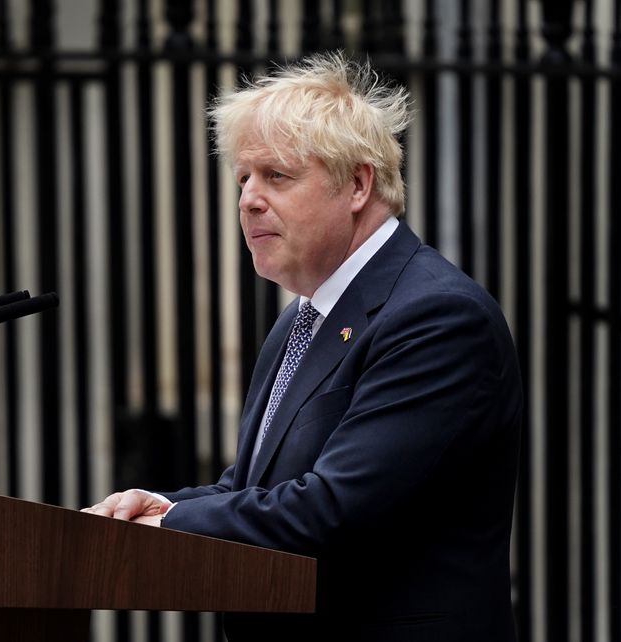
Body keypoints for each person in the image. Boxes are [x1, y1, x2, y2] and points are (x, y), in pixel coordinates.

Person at [84, 51, 522, 642]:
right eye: (243, 179)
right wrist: (153, 501)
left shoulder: (436, 317)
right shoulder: (307, 317)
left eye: (277, 176)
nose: (248, 200)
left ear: (358, 184)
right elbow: (254, 492)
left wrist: (175, 520)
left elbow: (335, 507)